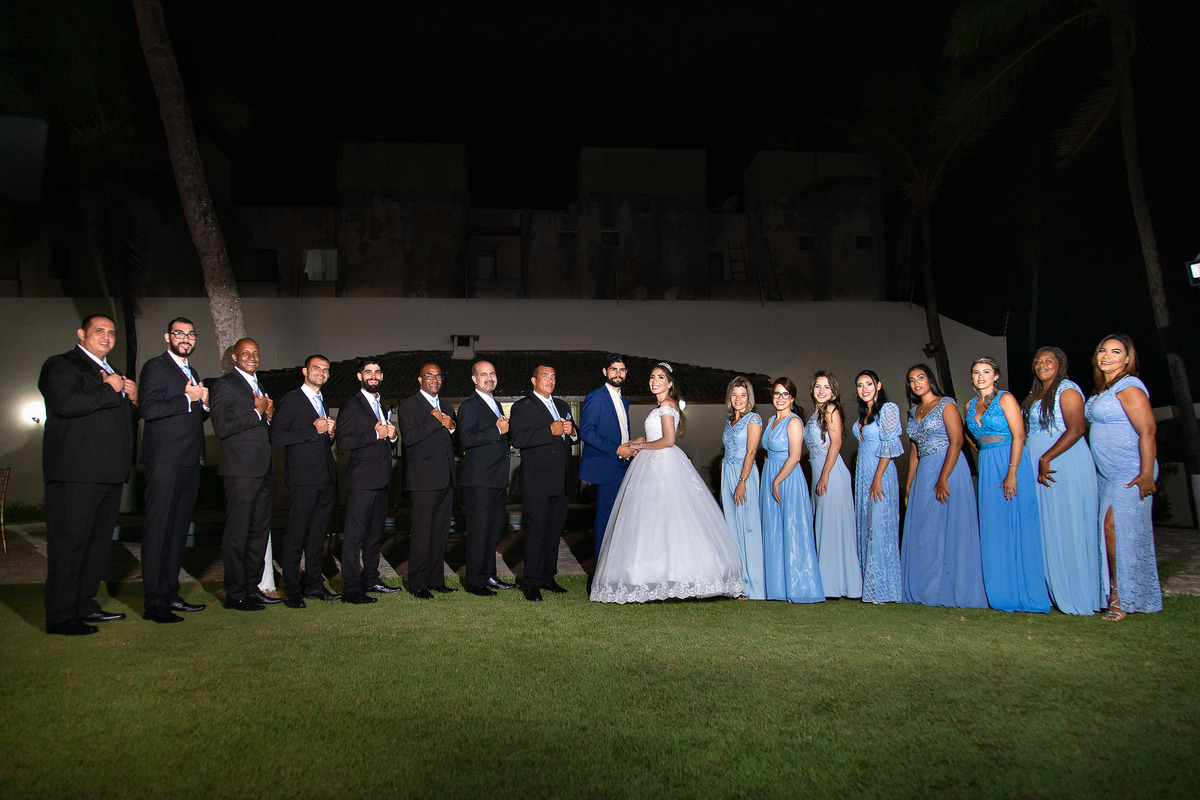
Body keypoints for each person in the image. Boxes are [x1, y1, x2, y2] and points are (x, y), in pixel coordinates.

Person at [591, 363, 744, 603]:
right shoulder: (662, 406)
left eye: (660, 377)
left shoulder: (666, 405)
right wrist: (644, 440)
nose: (654, 381)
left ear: (670, 383)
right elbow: (659, 438)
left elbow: (668, 441)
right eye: (652, 377)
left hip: (663, 463)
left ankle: (672, 574)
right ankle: (658, 573)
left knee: (668, 518)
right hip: (654, 462)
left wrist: (641, 446)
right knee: (656, 520)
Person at [38, 313, 137, 635]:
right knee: (69, 545)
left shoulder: (113, 372)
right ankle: (61, 616)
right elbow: (66, 403)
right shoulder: (62, 365)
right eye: (99, 331)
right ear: (82, 334)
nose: (106, 337)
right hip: (75, 474)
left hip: (107, 474)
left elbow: (116, 419)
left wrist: (131, 400)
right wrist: (111, 389)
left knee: (96, 547)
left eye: (111, 332)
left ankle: (85, 604)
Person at [1021, 347, 1103, 615]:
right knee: (1047, 527)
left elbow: (1077, 428)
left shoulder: (1067, 389)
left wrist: (1046, 457)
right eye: (1038, 360)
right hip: (1039, 464)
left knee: (1067, 525)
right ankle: (1054, 589)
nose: (1042, 364)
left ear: (1061, 364)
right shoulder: (1036, 394)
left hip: (1062, 462)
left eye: (1048, 360)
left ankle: (1078, 592)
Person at [137, 317, 208, 623]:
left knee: (178, 532)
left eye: (191, 334)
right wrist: (187, 398)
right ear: (167, 337)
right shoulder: (156, 367)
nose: (186, 338)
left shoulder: (191, 371)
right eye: (179, 333)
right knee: (158, 530)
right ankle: (154, 603)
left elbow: (188, 417)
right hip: (164, 461)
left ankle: (170, 593)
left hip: (189, 461)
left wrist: (203, 406)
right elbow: (148, 409)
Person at [1084, 334, 1160, 620]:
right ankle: (1123, 592)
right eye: (1102, 350)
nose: (1106, 355)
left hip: (1132, 470)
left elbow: (1148, 431)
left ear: (1127, 359)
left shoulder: (1130, 387)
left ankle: (1120, 596)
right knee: (1115, 533)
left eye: (1116, 352)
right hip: (1109, 474)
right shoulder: (1104, 389)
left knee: (1113, 529)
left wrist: (1145, 473)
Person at [965, 357, 1050, 613]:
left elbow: (1019, 435)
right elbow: (972, 436)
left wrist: (1012, 471)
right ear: (971, 377)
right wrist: (983, 451)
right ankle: (999, 591)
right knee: (993, 525)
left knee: (1015, 523)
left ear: (996, 375)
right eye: (977, 372)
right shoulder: (969, 404)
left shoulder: (1006, 398)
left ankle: (1024, 590)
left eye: (986, 372)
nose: (981, 376)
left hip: (1010, 462)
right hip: (989, 463)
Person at [900, 364, 987, 608]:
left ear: (930, 379)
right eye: (911, 380)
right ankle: (925, 589)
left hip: (947, 468)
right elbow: (914, 453)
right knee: (925, 531)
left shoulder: (946, 404)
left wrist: (943, 478)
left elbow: (957, 441)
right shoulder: (913, 411)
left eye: (921, 377)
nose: (916, 382)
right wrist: (909, 486)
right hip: (924, 471)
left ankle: (950, 589)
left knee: (948, 528)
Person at [209, 338, 278, 610]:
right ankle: (235, 594)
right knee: (238, 533)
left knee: (259, 533)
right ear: (235, 358)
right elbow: (222, 427)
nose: (251, 357)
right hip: (240, 471)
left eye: (256, 353)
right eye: (245, 353)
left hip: (262, 469)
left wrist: (269, 415)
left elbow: (260, 425)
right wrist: (256, 411)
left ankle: (252, 587)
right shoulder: (224, 385)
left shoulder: (258, 385)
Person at [269, 354, 341, 608]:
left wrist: (330, 434)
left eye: (325, 370)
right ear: (305, 371)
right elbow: (276, 435)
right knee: (296, 535)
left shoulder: (323, 402)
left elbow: (322, 441)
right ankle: (291, 589)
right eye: (316, 368)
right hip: (302, 479)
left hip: (324, 478)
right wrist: (314, 430)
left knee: (316, 537)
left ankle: (313, 585)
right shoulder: (291, 400)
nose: (321, 372)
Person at [509, 364, 577, 601]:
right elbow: (517, 438)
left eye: (553, 376)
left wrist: (572, 431)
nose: (550, 379)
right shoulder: (522, 407)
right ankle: (532, 583)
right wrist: (550, 430)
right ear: (534, 380)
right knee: (536, 532)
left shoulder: (562, 405)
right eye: (545, 376)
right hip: (537, 481)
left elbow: (571, 435)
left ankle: (549, 577)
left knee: (554, 533)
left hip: (561, 480)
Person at [335, 357, 399, 604]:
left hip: (382, 481)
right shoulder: (351, 405)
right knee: (354, 538)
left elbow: (384, 442)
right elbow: (344, 441)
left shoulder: (382, 407)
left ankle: (371, 579)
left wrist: (392, 437)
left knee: (374, 537)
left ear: (381, 377)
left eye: (377, 372)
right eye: (368, 372)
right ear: (360, 376)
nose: (373, 375)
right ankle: (351, 589)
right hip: (361, 482)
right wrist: (375, 433)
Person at [759, 378, 824, 603]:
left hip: (787, 477)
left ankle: (800, 587)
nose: (780, 398)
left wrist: (777, 480)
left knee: (793, 530)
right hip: (770, 473)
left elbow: (795, 456)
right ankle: (777, 588)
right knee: (773, 530)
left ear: (792, 398)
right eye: (777, 394)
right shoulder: (770, 420)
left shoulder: (794, 421)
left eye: (785, 394)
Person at [398, 362, 458, 599]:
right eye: (429, 376)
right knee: (422, 534)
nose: (434, 379)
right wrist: (432, 420)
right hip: (422, 482)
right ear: (420, 379)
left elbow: (450, 439)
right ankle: (418, 583)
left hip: (445, 479)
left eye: (438, 376)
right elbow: (410, 439)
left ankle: (436, 580)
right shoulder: (409, 405)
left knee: (440, 534)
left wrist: (452, 426)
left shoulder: (445, 405)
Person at [457, 360, 516, 595]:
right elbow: (466, 438)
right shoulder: (470, 405)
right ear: (474, 379)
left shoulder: (496, 405)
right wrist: (497, 431)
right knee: (478, 532)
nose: (489, 377)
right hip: (478, 480)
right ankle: (475, 582)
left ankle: (489, 576)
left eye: (492, 373)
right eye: (484, 374)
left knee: (492, 533)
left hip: (497, 479)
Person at [805, 371, 862, 599]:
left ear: (834, 391)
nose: (821, 391)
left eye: (826, 387)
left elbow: (836, 442)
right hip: (817, 470)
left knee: (832, 525)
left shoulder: (831, 409)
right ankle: (829, 582)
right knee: (824, 525)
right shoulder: (815, 413)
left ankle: (835, 584)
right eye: (818, 386)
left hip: (831, 473)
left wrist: (826, 474)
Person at [579, 354, 637, 560]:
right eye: (613, 369)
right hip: (607, 467)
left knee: (621, 521)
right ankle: (601, 575)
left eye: (621, 370)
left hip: (623, 466)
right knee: (605, 521)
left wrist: (631, 446)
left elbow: (618, 433)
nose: (618, 373)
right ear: (605, 372)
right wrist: (616, 449)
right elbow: (586, 432)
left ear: (626, 373)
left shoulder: (625, 401)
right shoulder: (596, 397)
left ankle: (615, 567)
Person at [852, 370, 902, 604]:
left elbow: (890, 446)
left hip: (879, 474)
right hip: (863, 474)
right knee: (866, 525)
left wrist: (877, 477)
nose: (865, 389)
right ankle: (868, 585)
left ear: (879, 385)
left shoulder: (888, 409)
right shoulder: (864, 413)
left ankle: (883, 588)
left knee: (880, 527)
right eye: (860, 385)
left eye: (869, 384)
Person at [720, 376, 765, 600]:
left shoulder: (754, 419)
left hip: (744, 476)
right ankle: (737, 584)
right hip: (727, 473)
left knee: (748, 528)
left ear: (749, 398)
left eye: (743, 395)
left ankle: (753, 586)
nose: (738, 399)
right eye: (734, 394)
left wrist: (742, 481)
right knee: (732, 530)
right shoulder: (730, 421)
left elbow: (751, 452)